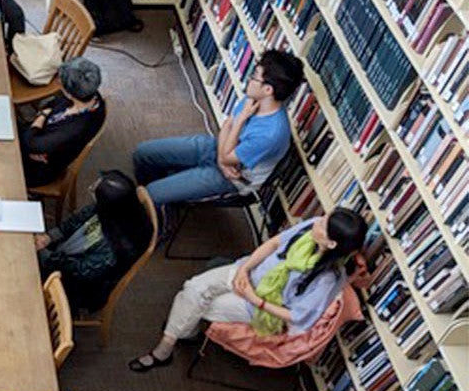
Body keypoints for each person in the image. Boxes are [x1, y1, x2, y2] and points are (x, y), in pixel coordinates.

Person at [129, 208, 367, 372]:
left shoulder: (325, 279)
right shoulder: (310, 229)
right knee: (192, 289)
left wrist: (255, 299)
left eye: (325, 224)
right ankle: (174, 341)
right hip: (247, 273)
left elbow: (297, 317)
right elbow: (274, 244)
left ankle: (167, 347)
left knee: (197, 304)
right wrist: (245, 269)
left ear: (331, 243)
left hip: (259, 306)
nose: (319, 220)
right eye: (325, 217)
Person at [132, 50, 304, 206]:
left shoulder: (271, 134)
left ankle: (155, 203)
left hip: (235, 177)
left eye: (254, 76)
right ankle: (157, 193)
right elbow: (227, 126)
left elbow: (229, 152)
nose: (249, 79)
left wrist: (241, 120)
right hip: (220, 150)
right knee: (142, 153)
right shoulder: (253, 98)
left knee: (152, 195)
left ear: (268, 89)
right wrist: (223, 158)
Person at [33, 171, 154, 314]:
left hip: (76, 285)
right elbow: (76, 220)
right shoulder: (115, 210)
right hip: (63, 255)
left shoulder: (114, 248)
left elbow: (79, 270)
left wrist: (43, 253)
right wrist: (49, 237)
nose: (89, 188)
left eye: (94, 192)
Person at [20, 57, 106, 187]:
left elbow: (30, 144)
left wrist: (42, 116)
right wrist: (42, 117)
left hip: (38, 168)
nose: (58, 82)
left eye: (60, 82)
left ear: (69, 93)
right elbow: (51, 103)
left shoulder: (76, 128)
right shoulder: (90, 94)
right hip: (40, 141)